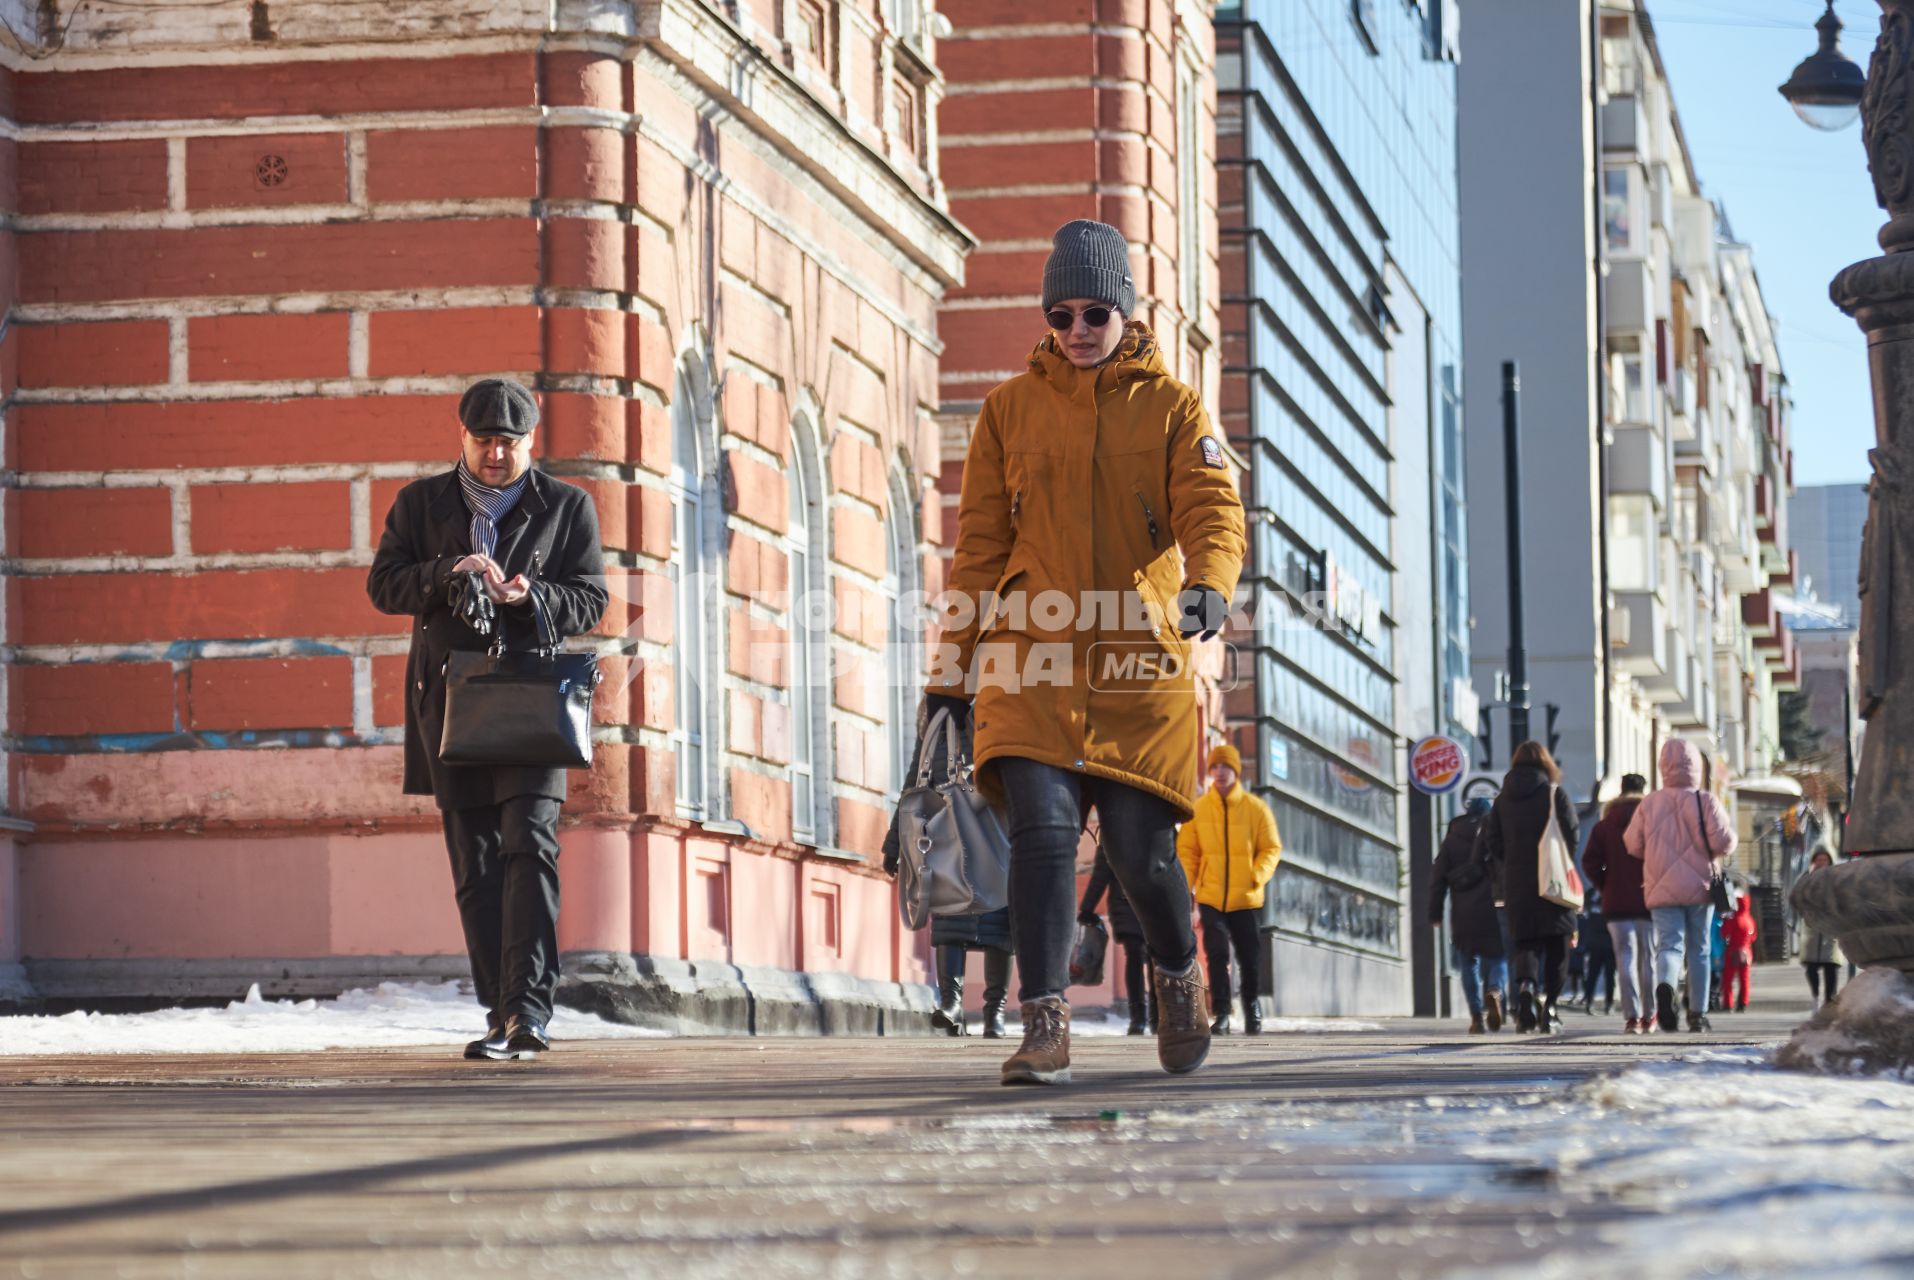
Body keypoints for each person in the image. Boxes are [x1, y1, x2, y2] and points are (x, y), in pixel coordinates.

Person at [932, 218, 1247, 1086]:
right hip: (1030, 662)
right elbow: (981, 550)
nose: (1076, 330)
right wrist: (951, 672)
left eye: (1094, 312)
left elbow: (1213, 512)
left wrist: (1209, 585)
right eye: (1060, 314)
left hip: (1139, 662)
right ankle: (1043, 1028)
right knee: (1041, 835)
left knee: (1142, 854)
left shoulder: (1174, 406)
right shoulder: (1006, 411)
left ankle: (1179, 973)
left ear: (1124, 313)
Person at [367, 378, 608, 1061]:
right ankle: (500, 1011)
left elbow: (591, 599)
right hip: (450, 704)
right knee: (475, 866)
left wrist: (532, 595)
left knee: (531, 849)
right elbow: (384, 584)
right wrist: (448, 571)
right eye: (485, 440)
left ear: (531, 440)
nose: (497, 454)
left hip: (533, 704)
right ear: (462, 436)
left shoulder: (566, 506)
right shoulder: (420, 503)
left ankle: (529, 1011)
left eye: (510, 441)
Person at [883, 696, 1015, 1037]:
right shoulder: (950, 714)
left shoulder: (955, 711)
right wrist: (894, 845)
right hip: (972, 839)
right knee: (969, 924)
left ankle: (976, 1009)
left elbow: (914, 785)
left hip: (971, 839)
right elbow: (914, 783)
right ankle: (969, 1009)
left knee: (982, 925)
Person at [1623, 738, 1737, 1033]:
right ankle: (1697, 1014)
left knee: (1669, 945)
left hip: (1660, 887)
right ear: (1696, 766)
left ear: (1663, 766)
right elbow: (1724, 842)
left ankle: (1666, 987)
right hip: (1700, 887)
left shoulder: (1650, 803)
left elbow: (1631, 844)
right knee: (1699, 948)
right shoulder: (1705, 800)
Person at [1177, 743, 1283, 1035]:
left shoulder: (1256, 809)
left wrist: (1256, 875)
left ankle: (1251, 1006)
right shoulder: (1199, 809)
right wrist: (1187, 886)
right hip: (1211, 896)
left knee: (1249, 956)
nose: (1219, 772)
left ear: (1235, 771)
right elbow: (1188, 852)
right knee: (1216, 954)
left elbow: (1271, 848)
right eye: (1214, 767)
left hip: (1246, 896)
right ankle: (1222, 1012)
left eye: (1225, 767)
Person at [1475, 741, 1580, 1034]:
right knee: (1558, 943)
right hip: (1553, 879)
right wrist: (1561, 859)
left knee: (1525, 944)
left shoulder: (1501, 801)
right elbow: (1571, 832)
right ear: (1546, 764)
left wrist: (1510, 863)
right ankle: (1551, 1008)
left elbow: (1491, 841)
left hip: (1517, 884)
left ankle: (1525, 987)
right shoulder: (1553, 794)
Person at [1429, 795, 1507, 1033]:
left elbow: (1437, 880)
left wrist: (1436, 913)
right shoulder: (1495, 836)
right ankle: (1494, 990)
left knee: (1468, 963)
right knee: (1499, 958)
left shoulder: (1451, 840)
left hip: (1463, 913)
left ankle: (1476, 1017)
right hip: (1494, 908)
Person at [1583, 773, 1654, 1033]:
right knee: (1649, 959)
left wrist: (1606, 885)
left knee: (1624, 959)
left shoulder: (1605, 825)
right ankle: (1650, 1015)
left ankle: (1632, 1017)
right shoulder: (1652, 821)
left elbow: (1589, 861)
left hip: (1616, 903)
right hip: (1649, 898)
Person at [1080, 839, 1154, 1034]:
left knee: (1157, 956)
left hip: (1155, 901)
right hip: (1125, 903)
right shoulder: (1112, 825)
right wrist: (1087, 907)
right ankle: (1138, 1017)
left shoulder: (1158, 820)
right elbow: (1101, 873)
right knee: (1135, 953)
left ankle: (1157, 1015)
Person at [1795, 847, 1846, 1009]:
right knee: (1811, 968)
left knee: (1831, 967)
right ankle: (1815, 996)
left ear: (1830, 861)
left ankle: (1829, 1001)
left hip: (1830, 931)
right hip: (1813, 930)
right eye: (1818, 860)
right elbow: (1797, 896)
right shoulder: (1806, 878)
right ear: (1813, 862)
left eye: (1825, 860)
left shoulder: (1836, 878)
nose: (1821, 863)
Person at [1574, 886, 1617, 1017]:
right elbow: (1583, 914)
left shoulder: (1613, 892)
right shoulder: (1590, 894)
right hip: (1594, 944)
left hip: (1610, 942)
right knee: (1592, 975)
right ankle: (1589, 1002)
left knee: (1610, 976)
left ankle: (1609, 1003)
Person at [1720, 891, 1757, 1013]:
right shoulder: (1750, 919)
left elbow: (1725, 933)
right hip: (1746, 953)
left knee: (1728, 980)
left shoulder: (1733, 918)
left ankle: (1728, 1004)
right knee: (1744, 979)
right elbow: (1753, 937)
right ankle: (1743, 1003)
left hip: (1732, 952)